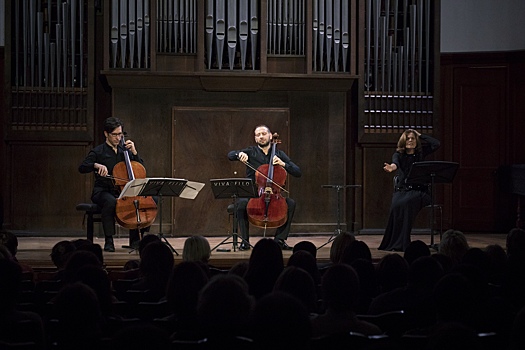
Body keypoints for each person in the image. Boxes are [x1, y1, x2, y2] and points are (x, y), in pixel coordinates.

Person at [78, 117, 155, 252]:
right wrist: (95, 165)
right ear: (106, 134)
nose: (119, 138)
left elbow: (140, 168)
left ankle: (138, 239)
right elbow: (82, 167)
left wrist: (135, 153)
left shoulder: (124, 151)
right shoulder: (98, 151)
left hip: (123, 190)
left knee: (151, 200)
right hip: (103, 190)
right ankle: (109, 240)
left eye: (121, 134)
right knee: (111, 202)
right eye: (115, 134)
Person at [228, 125, 302, 251]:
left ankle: (279, 240)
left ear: (269, 135)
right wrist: (238, 153)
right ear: (255, 139)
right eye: (258, 135)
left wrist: (283, 163)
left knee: (291, 203)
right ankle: (245, 242)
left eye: (263, 134)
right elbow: (230, 155)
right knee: (241, 204)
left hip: (274, 194)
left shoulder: (279, 154)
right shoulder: (251, 152)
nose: (261, 137)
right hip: (254, 193)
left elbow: (297, 172)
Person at [379, 129, 440, 252]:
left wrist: (420, 135)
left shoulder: (421, 154)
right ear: (403, 141)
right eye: (408, 138)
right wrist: (391, 167)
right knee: (396, 204)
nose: (410, 140)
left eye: (413, 138)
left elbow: (436, 144)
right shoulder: (398, 155)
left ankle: (403, 242)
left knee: (406, 202)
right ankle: (393, 242)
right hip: (403, 190)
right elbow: (395, 164)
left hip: (420, 192)